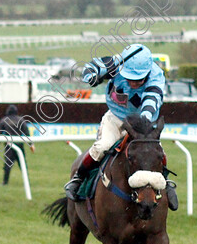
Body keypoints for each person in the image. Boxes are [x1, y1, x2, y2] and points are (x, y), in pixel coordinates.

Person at [63, 43, 178, 210]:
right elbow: (90, 67)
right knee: (103, 146)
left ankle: (166, 184)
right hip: (115, 117)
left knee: (155, 153)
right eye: (130, 77)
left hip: (143, 122)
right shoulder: (116, 63)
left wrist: (140, 125)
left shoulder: (156, 76)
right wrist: (92, 77)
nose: (133, 82)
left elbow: (151, 103)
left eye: (138, 79)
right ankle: (78, 178)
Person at [0, 104, 29, 185]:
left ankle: (5, 182)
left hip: (9, 145)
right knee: (22, 164)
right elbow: (26, 133)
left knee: (7, 164)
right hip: (19, 144)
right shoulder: (21, 120)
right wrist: (31, 144)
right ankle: (27, 182)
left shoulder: (4, 120)